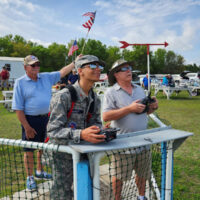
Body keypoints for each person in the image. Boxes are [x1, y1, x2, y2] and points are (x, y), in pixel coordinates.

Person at [12, 54, 78, 191]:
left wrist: (75, 63)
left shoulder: (46, 77)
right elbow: (18, 108)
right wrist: (27, 126)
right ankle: (30, 177)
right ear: (25, 67)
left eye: (37, 64)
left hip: (47, 118)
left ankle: (39, 171)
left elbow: (62, 72)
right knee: (29, 149)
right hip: (30, 119)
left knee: (43, 146)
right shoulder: (20, 82)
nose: (36, 67)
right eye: (33, 65)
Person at [46, 55, 106, 199]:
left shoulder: (95, 98)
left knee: (85, 189)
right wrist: (81, 134)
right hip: (62, 154)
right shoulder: (64, 96)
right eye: (92, 66)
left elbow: (96, 122)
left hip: (84, 152)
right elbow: (53, 130)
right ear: (80, 71)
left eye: (99, 66)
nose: (98, 69)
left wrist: (100, 131)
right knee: (62, 193)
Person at [102, 59, 158, 200]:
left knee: (142, 173)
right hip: (123, 144)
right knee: (119, 176)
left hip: (143, 141)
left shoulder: (139, 89)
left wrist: (152, 108)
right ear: (115, 74)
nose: (129, 70)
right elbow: (105, 116)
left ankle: (141, 196)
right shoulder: (110, 92)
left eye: (129, 67)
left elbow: (144, 112)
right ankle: (117, 198)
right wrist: (128, 109)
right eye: (124, 69)